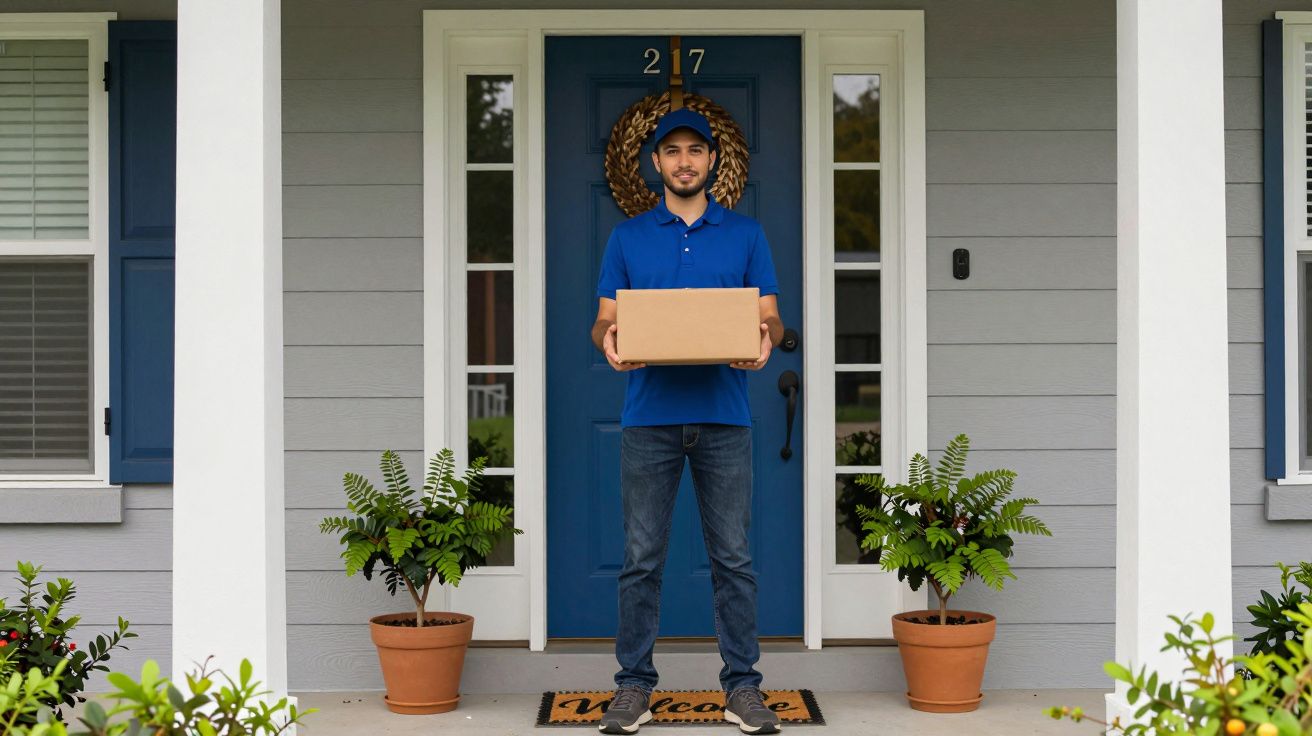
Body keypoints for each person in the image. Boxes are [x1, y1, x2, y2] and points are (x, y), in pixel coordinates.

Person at [590, 107, 784, 735]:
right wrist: (608, 339)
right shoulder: (627, 239)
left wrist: (765, 338)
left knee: (734, 558)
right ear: (655, 164)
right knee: (641, 559)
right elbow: (603, 319)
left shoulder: (747, 235)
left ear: (711, 160)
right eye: (670, 151)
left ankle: (743, 689)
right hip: (648, 419)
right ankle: (633, 688)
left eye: (694, 150)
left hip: (725, 418)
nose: (683, 161)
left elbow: (772, 318)